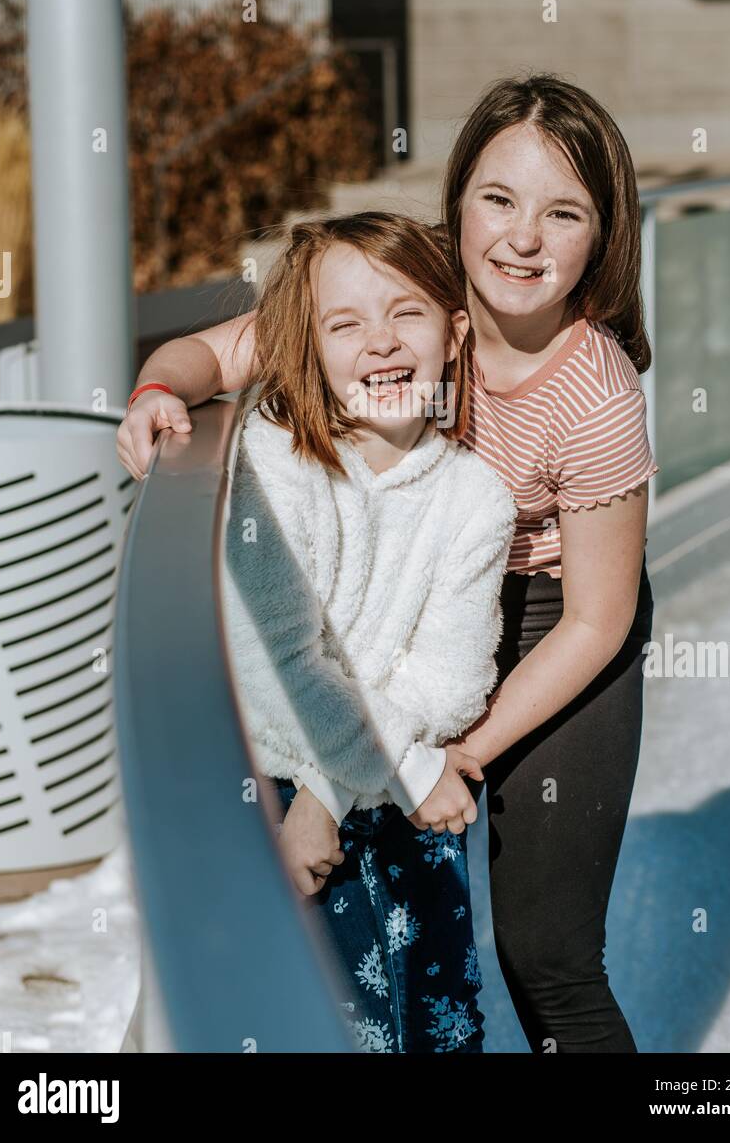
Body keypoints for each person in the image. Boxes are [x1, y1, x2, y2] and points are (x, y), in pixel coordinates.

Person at [118, 72, 659, 1053]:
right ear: (456, 203)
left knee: (546, 951)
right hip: (414, 584)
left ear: (601, 238)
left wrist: (455, 752)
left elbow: (597, 619)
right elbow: (233, 350)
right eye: (496, 200)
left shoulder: (596, 392)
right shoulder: (409, 283)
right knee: (343, 895)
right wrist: (161, 388)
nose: (521, 238)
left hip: (552, 611)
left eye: (562, 212)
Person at [217, 212, 517, 1053]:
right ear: (307, 347)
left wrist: (332, 792)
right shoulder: (275, 460)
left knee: (433, 1024)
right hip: (272, 794)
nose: (379, 343)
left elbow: (453, 680)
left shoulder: (476, 500)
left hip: (392, 800)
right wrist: (372, 773)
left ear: (455, 332)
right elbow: (276, 664)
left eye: (406, 313)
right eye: (344, 324)